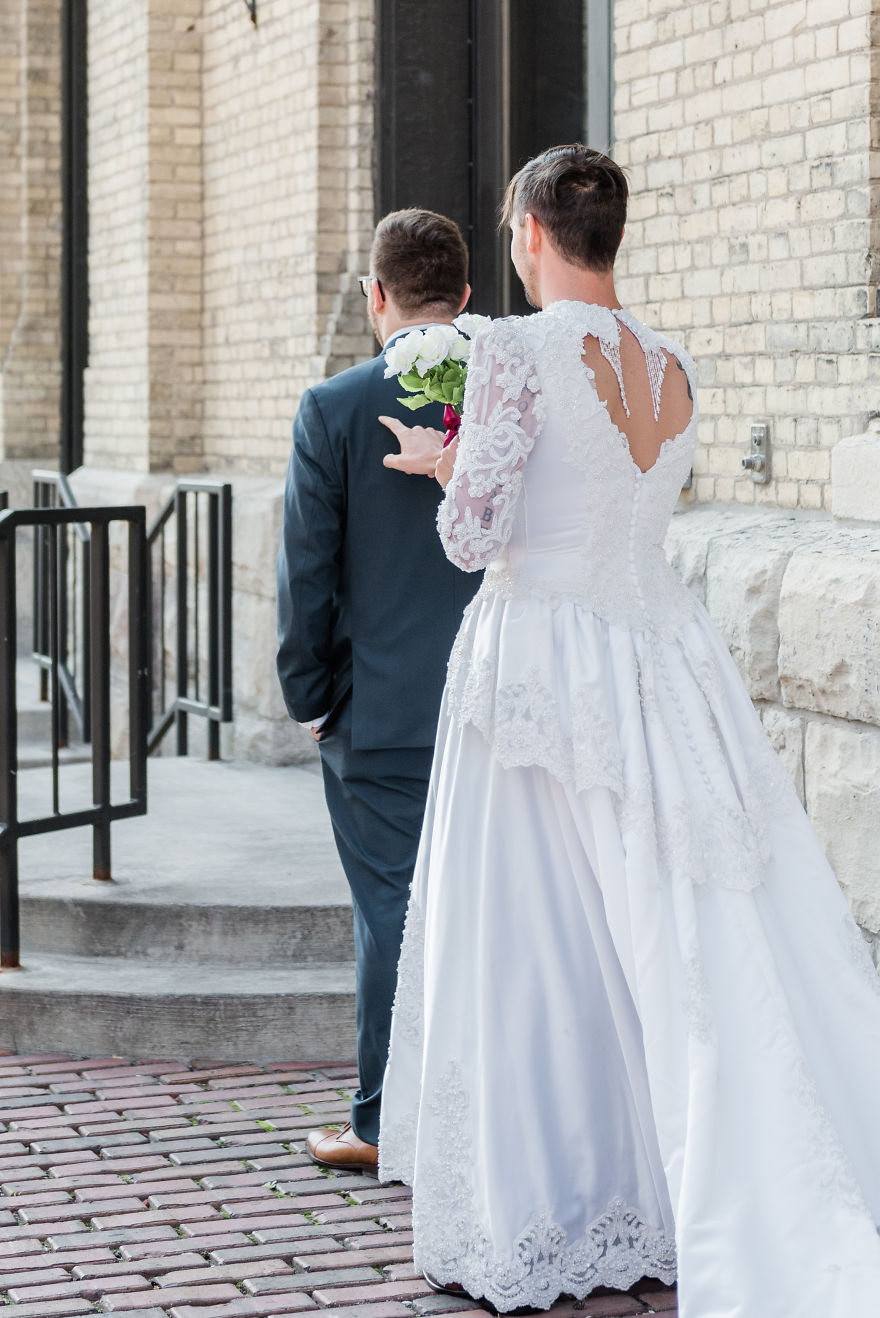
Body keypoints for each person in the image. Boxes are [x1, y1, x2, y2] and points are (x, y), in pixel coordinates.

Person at [378, 145, 880, 1318]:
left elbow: (474, 536)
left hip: (541, 657)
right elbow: (616, 498)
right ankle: (673, 1173)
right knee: (679, 925)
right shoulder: (673, 361)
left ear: (533, 231)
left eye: (512, 229)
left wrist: (443, 465)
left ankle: (550, 1199)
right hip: (661, 652)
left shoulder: (508, 346)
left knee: (533, 929)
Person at [276, 208, 481, 1173]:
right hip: (500, 698)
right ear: (469, 296)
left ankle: (381, 1119)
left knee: (393, 912)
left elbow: (306, 571)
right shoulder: (515, 393)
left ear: (376, 298)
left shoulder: (333, 406)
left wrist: (309, 693)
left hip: (385, 713)